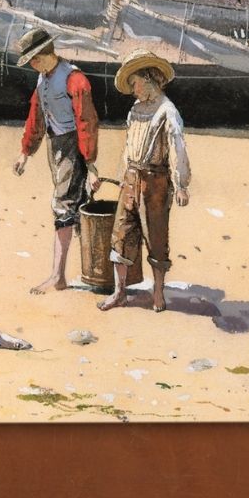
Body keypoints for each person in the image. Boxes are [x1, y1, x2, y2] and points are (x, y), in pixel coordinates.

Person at [100, 49, 190, 313]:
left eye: (135, 83)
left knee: (156, 236)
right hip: (131, 177)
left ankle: (158, 293)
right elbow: (128, 147)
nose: (133, 90)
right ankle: (119, 292)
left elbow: (177, 148)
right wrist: (120, 178)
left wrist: (181, 184)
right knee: (122, 233)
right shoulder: (135, 110)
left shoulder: (167, 111)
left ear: (149, 79)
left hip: (156, 181)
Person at [13, 28, 101, 294]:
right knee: (79, 204)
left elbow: (87, 123)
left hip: (74, 146)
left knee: (63, 205)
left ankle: (58, 277)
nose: (32, 64)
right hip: (56, 146)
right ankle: (95, 270)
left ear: (44, 54)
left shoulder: (74, 79)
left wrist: (91, 164)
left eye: (33, 59)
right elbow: (36, 118)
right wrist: (25, 153)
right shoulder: (43, 80)